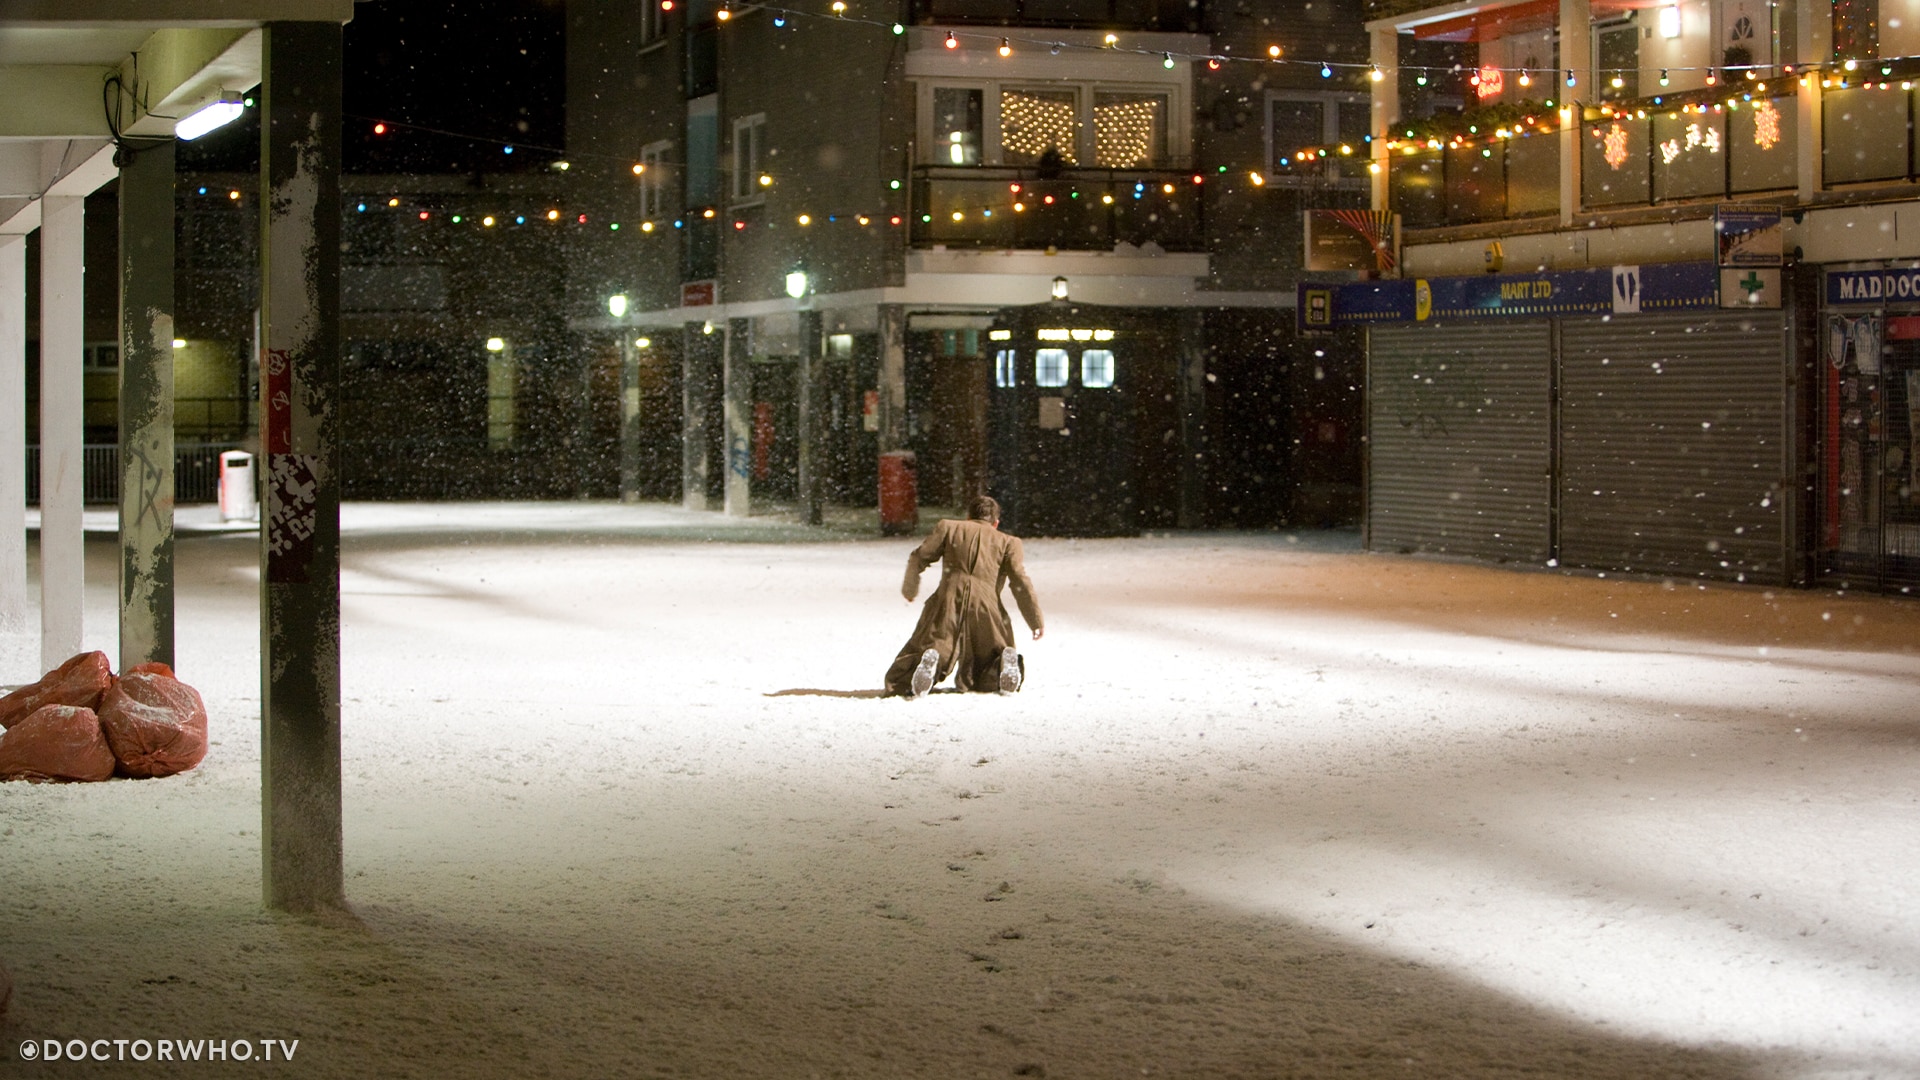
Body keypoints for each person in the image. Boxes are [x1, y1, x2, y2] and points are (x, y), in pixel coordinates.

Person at [884, 495, 1044, 698]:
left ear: (968, 516)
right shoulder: (1008, 542)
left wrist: (910, 589)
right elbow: (1020, 581)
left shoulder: (948, 527)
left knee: (930, 642)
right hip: (987, 605)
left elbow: (919, 557)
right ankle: (1001, 662)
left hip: (947, 597)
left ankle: (928, 660)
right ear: (995, 523)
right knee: (983, 662)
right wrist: (1035, 619)